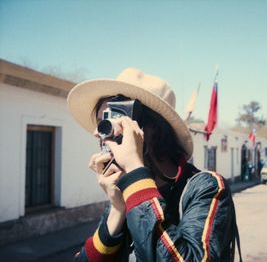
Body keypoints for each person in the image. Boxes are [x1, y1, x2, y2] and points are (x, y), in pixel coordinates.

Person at [67, 67, 241, 261]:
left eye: (114, 119)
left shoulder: (205, 187)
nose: (99, 133)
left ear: (154, 128)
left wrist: (134, 170)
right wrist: (117, 209)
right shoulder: (126, 190)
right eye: (102, 122)